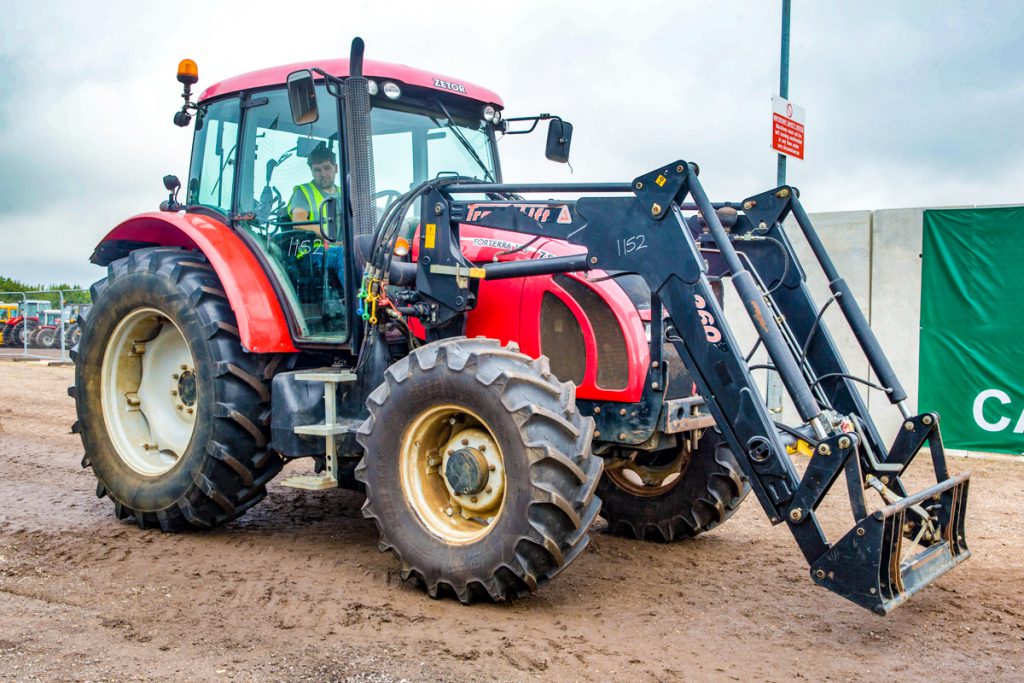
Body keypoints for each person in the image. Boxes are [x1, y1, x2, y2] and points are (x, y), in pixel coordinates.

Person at [287, 144, 340, 229]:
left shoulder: (346, 193)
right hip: (318, 242)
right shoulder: (303, 192)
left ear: (336, 168)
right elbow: (299, 223)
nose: (322, 174)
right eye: (317, 170)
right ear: (311, 171)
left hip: (349, 242)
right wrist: (330, 239)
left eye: (327, 168)